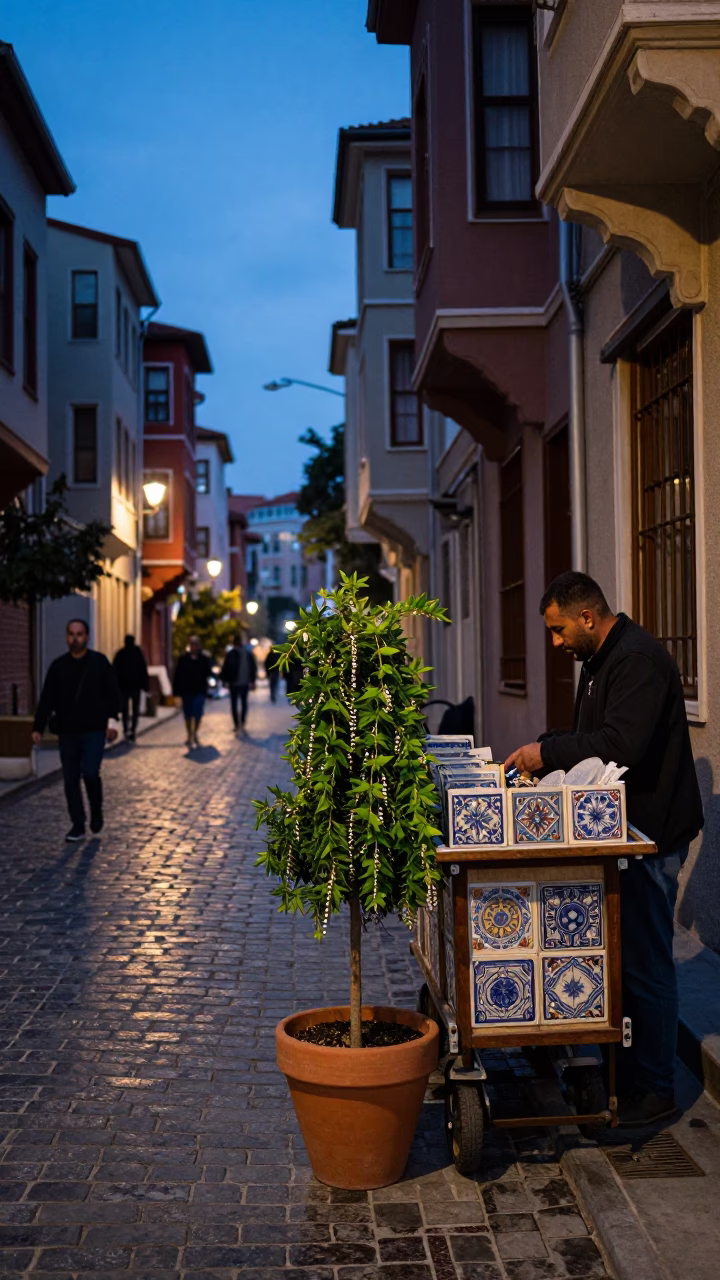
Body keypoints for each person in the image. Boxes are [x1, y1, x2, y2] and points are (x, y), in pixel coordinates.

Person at [505, 571, 703, 1127]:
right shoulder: (598, 660)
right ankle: (625, 1073)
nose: (556, 642)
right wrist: (549, 748)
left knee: (645, 964)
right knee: (621, 961)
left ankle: (655, 1090)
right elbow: (591, 746)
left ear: (587, 617)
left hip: (650, 838)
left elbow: (622, 745)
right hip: (620, 835)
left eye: (559, 629)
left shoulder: (636, 660)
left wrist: (546, 755)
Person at [32, 618, 122, 842]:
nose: (75, 639)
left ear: (87, 637)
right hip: (68, 731)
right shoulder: (58, 666)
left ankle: (96, 809)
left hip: (94, 730)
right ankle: (77, 824)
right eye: (71, 634)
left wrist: (112, 723)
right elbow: (47, 699)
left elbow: (113, 694)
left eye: (79, 634)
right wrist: (38, 727)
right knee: (70, 778)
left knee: (90, 772)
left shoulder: (99, 663)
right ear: (66, 637)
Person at [173, 635, 213, 748]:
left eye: (195, 644)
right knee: (187, 714)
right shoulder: (183, 659)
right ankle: (189, 734)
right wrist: (176, 692)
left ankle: (195, 733)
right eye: (192, 644)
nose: (193, 647)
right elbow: (178, 675)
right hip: (186, 691)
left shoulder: (204, 659)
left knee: (198, 713)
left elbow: (209, 673)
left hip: (199, 690)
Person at [112, 633, 149, 742]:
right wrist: (145, 685)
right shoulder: (137, 654)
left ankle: (126, 728)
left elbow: (114, 670)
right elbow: (143, 670)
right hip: (134, 686)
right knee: (134, 709)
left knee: (125, 709)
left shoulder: (120, 654)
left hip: (124, 686)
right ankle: (132, 729)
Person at [220, 633, 257, 731]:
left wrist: (225, 680)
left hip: (238, 682)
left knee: (237, 704)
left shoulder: (235, 653)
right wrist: (252, 681)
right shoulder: (245, 653)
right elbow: (226, 668)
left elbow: (225, 668)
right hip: (239, 682)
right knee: (239, 704)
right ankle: (240, 723)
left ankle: (239, 723)